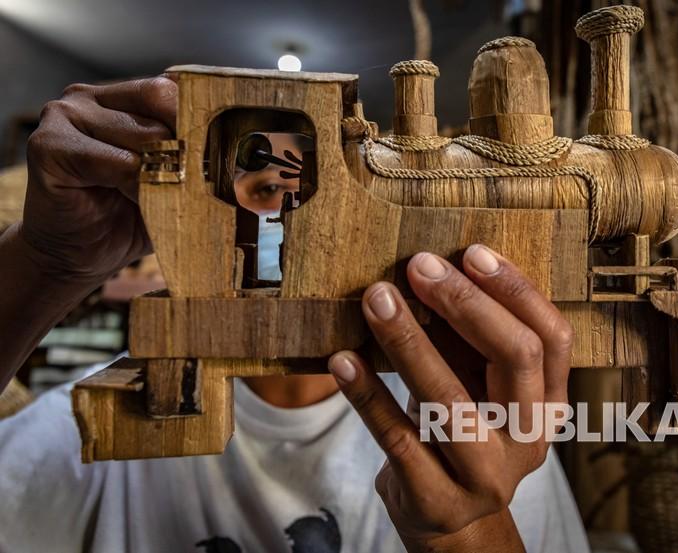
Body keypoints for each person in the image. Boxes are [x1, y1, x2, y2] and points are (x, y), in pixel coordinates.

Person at [0, 77, 590, 553]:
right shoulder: (77, 434)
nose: (289, 212)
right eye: (264, 187)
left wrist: (464, 532)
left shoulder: (478, 436)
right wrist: (44, 262)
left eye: (309, 189)